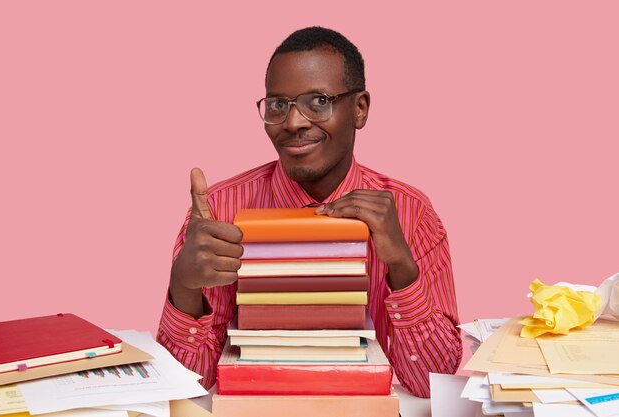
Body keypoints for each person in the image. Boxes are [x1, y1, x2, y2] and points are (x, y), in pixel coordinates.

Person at [157, 26, 462, 398]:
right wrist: (183, 287)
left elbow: (432, 382)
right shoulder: (219, 212)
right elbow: (188, 387)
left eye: (318, 101)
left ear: (360, 108)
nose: (293, 123)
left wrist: (401, 265)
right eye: (278, 105)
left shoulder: (411, 212)